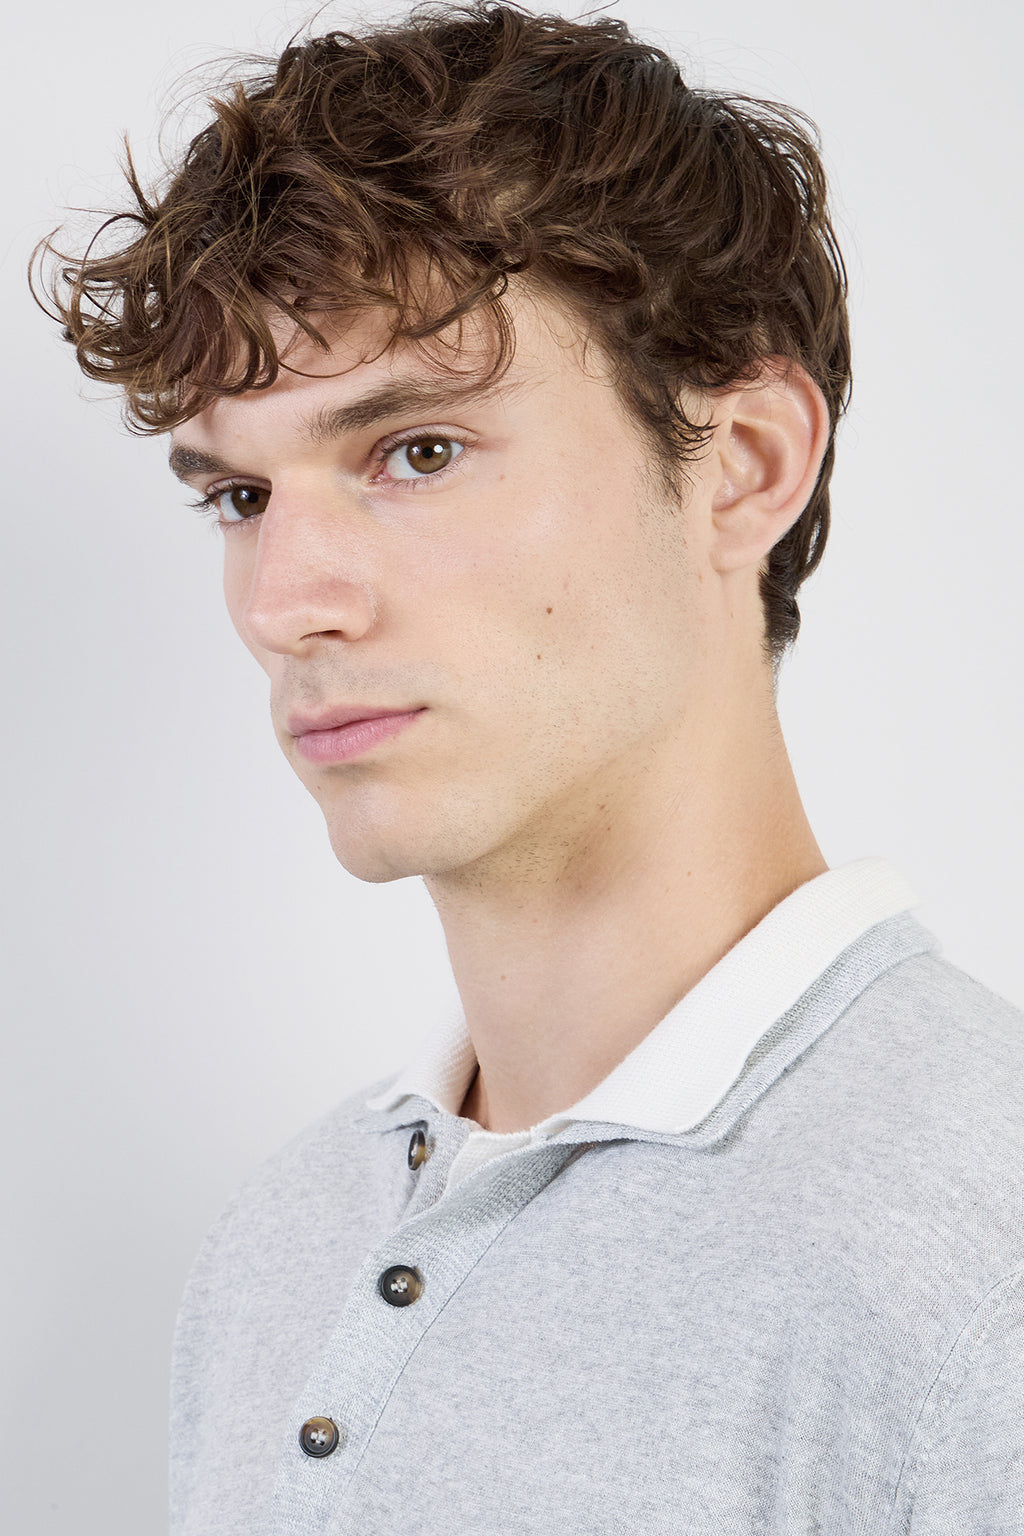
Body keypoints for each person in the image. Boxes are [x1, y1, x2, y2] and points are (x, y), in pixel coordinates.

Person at [35, 3, 1023, 1530]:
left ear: (746, 464)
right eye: (240, 495)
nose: (285, 602)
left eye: (417, 451)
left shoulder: (979, 1265)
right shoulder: (281, 1250)